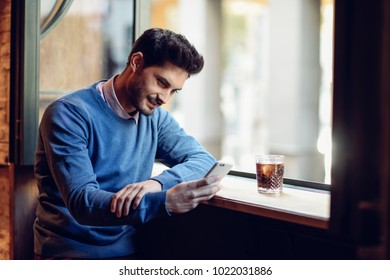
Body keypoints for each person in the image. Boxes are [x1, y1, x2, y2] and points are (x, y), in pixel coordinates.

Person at [33, 28, 220, 260]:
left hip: (129, 250)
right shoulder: (69, 114)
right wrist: (165, 202)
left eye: (174, 90)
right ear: (137, 62)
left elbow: (204, 160)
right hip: (70, 253)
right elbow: (83, 202)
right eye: (162, 83)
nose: (165, 98)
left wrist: (157, 184)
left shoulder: (156, 118)